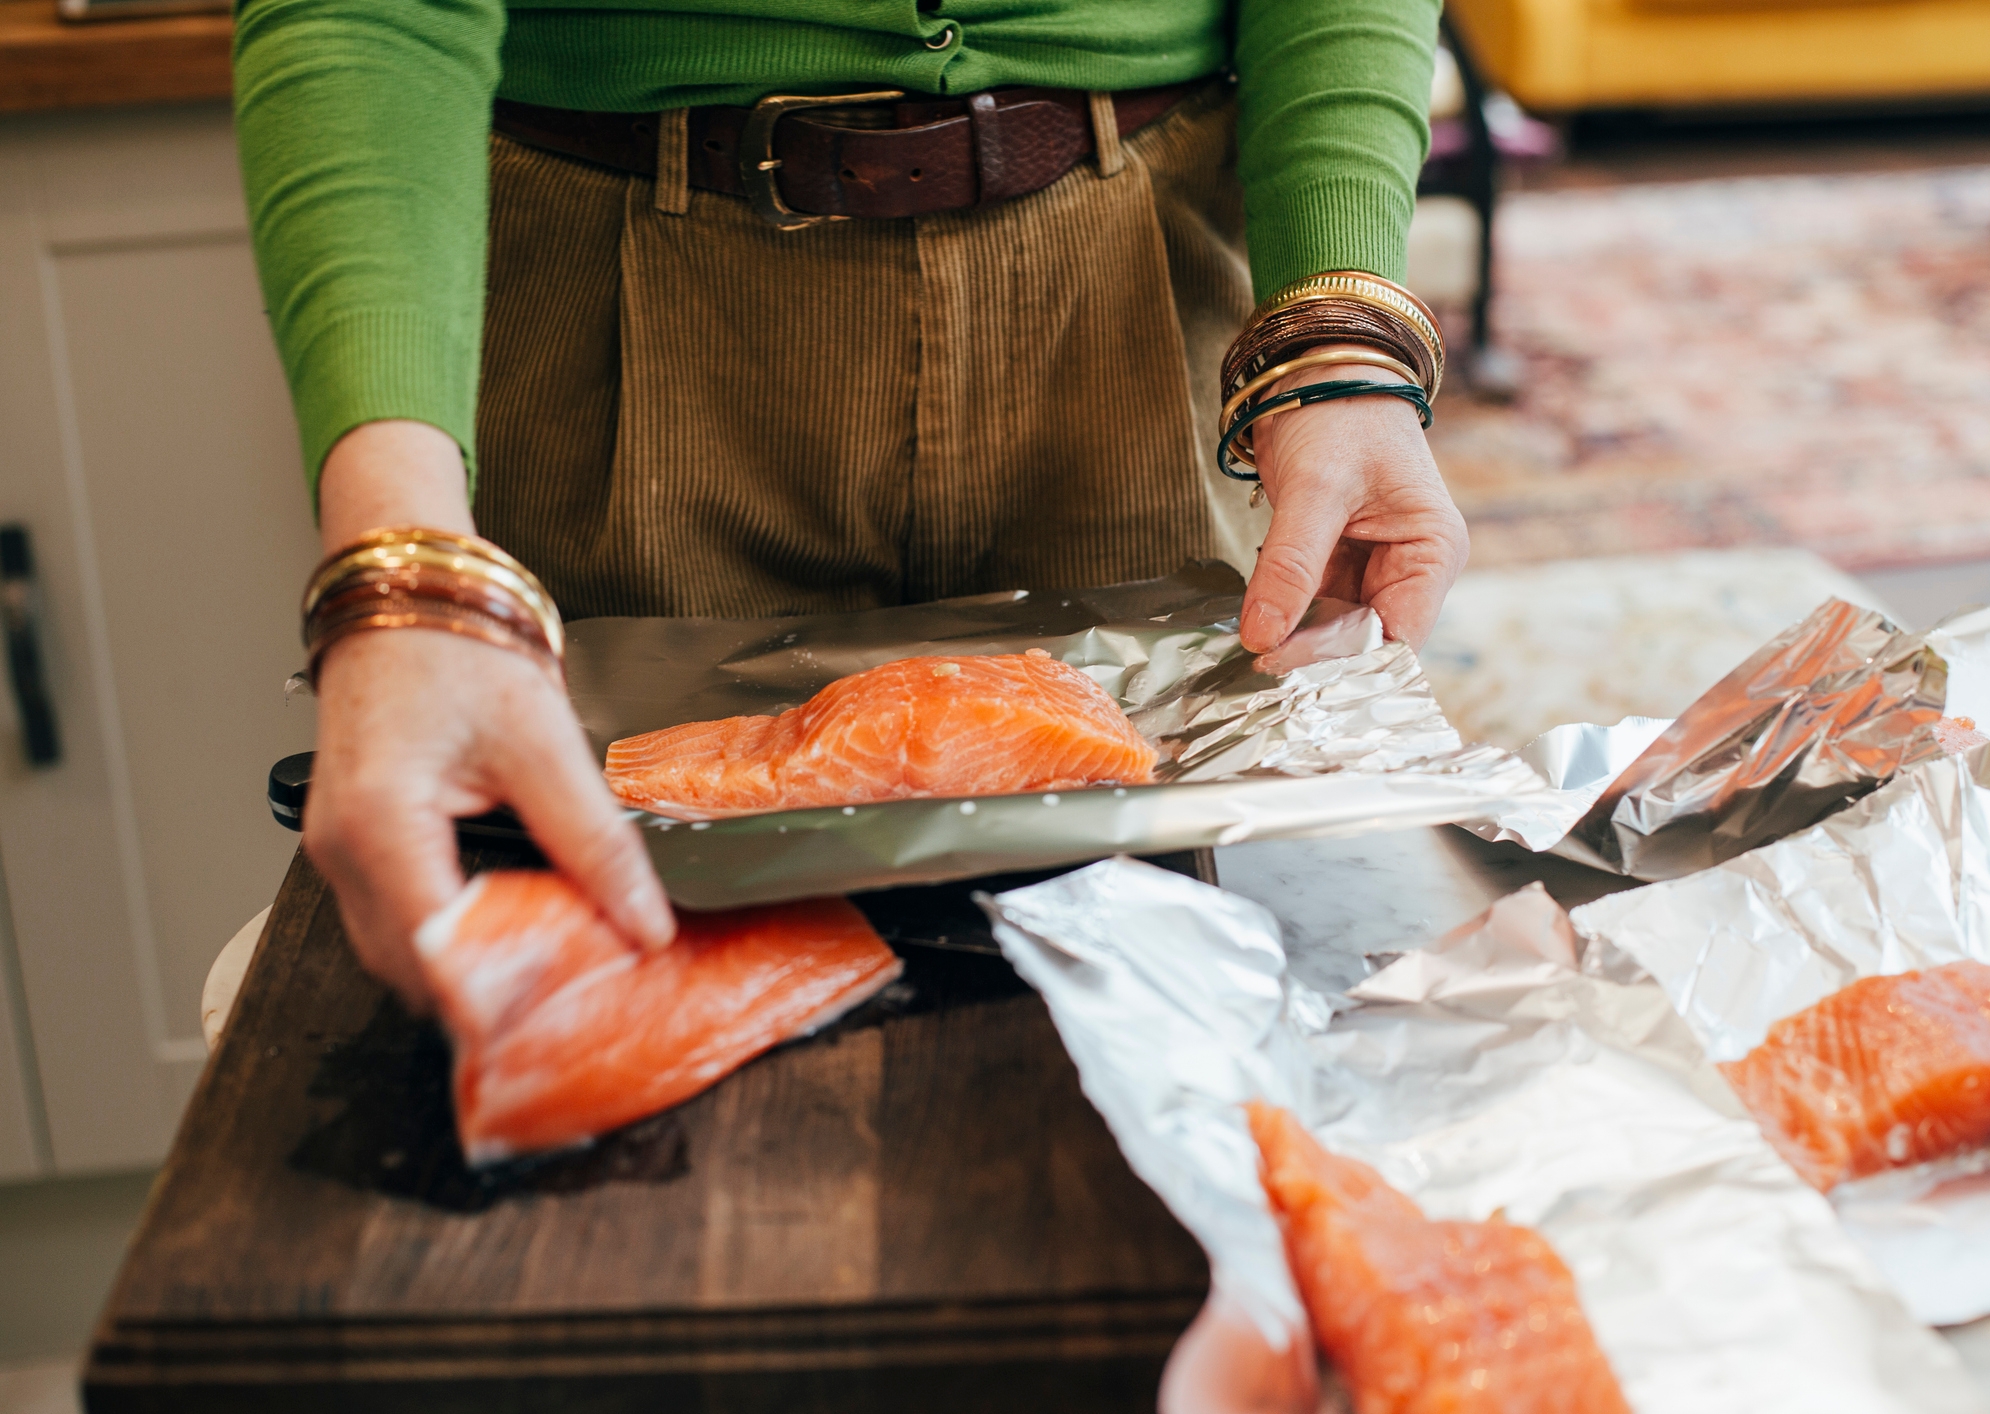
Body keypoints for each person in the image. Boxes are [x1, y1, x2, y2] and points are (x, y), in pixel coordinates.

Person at [234, 0, 1468, 1007]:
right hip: (614, 285)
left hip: (1131, 279)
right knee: (623, 972)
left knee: (1197, 982)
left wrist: (1337, 332)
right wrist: (405, 574)